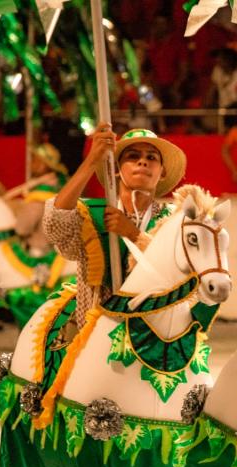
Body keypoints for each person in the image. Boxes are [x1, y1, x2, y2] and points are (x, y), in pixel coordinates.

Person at [43, 125, 186, 334]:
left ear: (162, 172)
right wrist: (93, 159)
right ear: (116, 169)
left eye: (152, 157)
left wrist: (133, 233)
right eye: (133, 156)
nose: (143, 161)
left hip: (154, 335)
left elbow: (177, 273)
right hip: (94, 332)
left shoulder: (174, 218)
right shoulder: (92, 214)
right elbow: (55, 223)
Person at [16, 144, 69, 257]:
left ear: (43, 165)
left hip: (40, 252)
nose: (31, 164)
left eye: (34, 160)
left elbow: (22, 228)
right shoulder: (59, 189)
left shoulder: (39, 196)